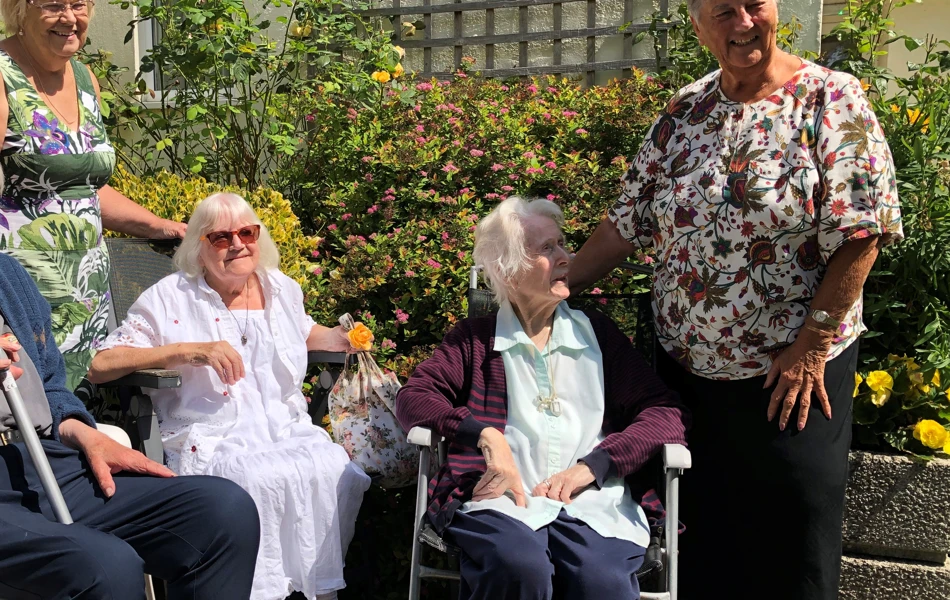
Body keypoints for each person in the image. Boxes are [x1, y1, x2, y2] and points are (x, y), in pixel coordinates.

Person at [568, 1, 904, 599]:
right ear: (697, 24)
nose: (743, 21)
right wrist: (556, 287)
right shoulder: (685, 110)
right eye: (723, 10)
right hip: (685, 376)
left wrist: (810, 346)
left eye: (755, 4)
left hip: (794, 375)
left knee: (792, 538)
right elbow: (626, 222)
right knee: (700, 541)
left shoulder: (831, 97)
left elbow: (862, 233)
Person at [396, 196, 688, 600]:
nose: (566, 257)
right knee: (518, 567)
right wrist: (486, 437)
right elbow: (414, 398)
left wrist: (597, 465)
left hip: (593, 502)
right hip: (499, 499)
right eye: (547, 249)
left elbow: (664, 414)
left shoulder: (598, 337)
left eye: (561, 244)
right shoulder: (475, 341)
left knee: (599, 581)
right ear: (507, 270)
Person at [89, 192, 372, 600]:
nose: (237, 243)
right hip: (211, 432)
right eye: (221, 237)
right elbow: (101, 364)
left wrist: (343, 338)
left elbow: (303, 331)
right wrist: (188, 350)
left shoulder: (281, 288)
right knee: (249, 478)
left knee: (332, 466)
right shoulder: (171, 297)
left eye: (247, 232)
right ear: (199, 248)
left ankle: (310, 589)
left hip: (282, 427)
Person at [0, 249, 260, 599]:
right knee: (108, 567)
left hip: (37, 458)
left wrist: (84, 433)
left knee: (223, 512)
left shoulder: (6, 274)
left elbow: (50, 385)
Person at [0, 0, 187, 390]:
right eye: (53, 5)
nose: (70, 18)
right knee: (30, 426)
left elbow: (85, 187)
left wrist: (160, 225)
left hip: (87, 298)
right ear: (19, 9)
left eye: (78, 5)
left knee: (76, 420)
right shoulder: (3, 75)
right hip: (21, 298)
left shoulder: (85, 79)